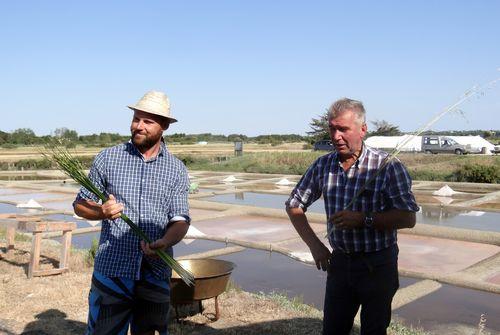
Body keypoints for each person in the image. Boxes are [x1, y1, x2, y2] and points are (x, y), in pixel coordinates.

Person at [286, 98, 419, 335]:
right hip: (340, 263)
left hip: (378, 265)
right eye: (332, 128)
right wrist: (315, 247)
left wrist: (363, 219)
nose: (336, 136)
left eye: (343, 129)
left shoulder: (387, 166)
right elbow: (294, 206)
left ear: (363, 130)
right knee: (334, 329)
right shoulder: (323, 165)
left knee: (374, 329)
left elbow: (408, 217)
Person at [74, 90, 191, 335]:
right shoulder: (108, 158)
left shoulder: (176, 169)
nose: (138, 126)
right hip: (112, 271)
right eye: (136, 119)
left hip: (155, 272)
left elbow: (181, 219)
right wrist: (101, 212)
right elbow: (80, 204)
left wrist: (165, 242)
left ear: (165, 126)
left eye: (147, 121)